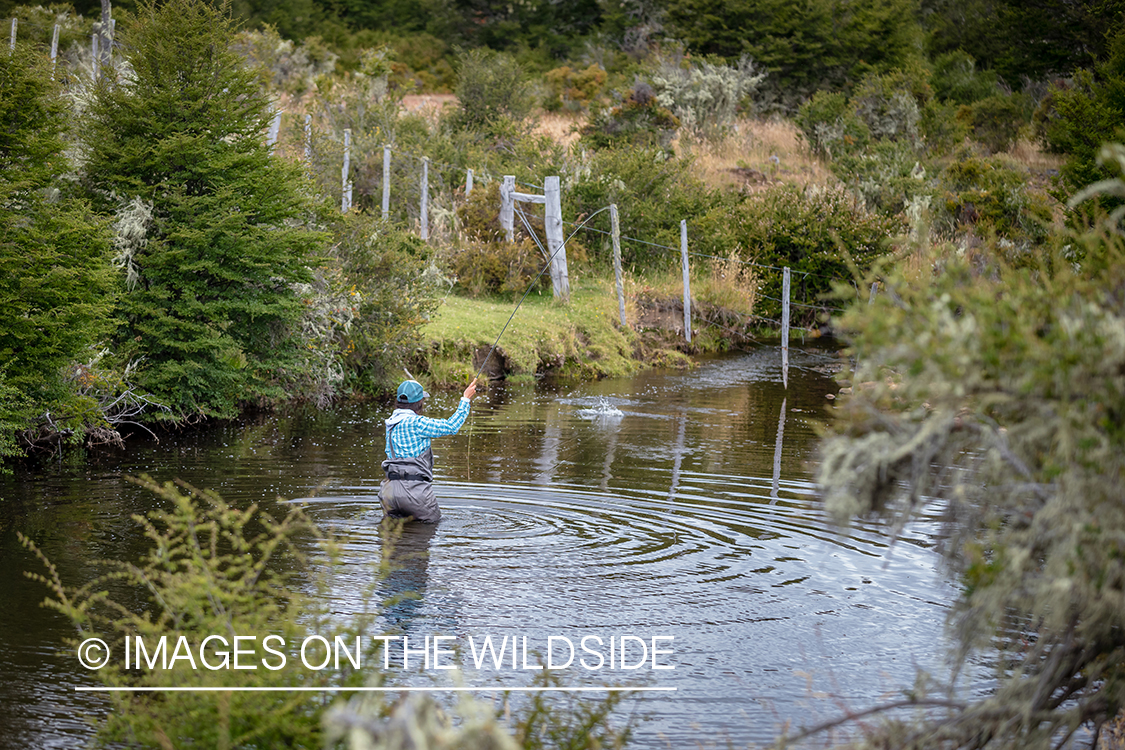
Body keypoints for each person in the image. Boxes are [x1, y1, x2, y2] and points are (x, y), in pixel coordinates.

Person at [379, 378, 478, 523]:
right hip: (415, 492)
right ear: (419, 403)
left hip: (389, 491)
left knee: (392, 536)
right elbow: (451, 426)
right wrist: (465, 399)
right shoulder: (418, 423)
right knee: (431, 528)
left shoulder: (390, 424)